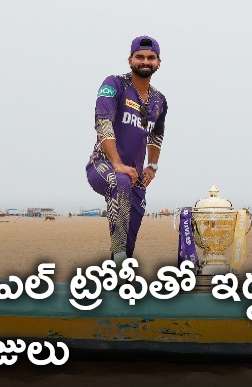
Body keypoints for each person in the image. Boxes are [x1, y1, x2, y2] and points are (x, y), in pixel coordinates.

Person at [86, 36, 167, 264]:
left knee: (133, 222)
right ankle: (121, 259)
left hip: (135, 175)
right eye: (139, 57)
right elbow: (103, 121)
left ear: (158, 62)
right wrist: (117, 163)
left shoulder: (159, 100)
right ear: (130, 59)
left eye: (150, 58)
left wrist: (152, 165)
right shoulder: (115, 84)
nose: (145, 61)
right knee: (119, 181)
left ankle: (118, 269)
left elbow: (157, 134)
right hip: (102, 165)